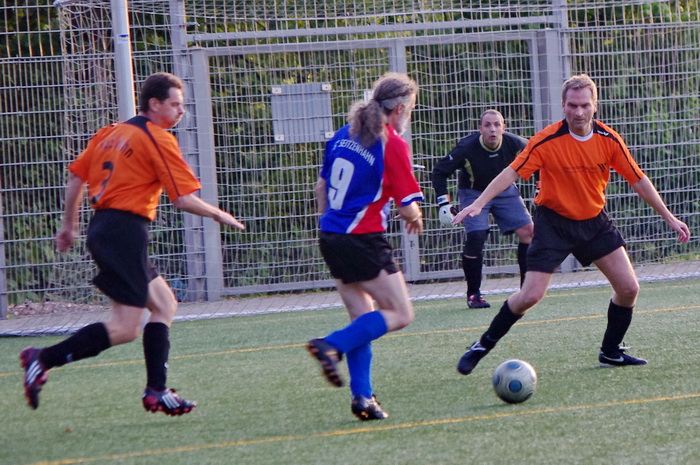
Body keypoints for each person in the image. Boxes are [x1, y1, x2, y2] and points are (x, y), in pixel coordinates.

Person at [20, 72, 245, 414]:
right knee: (125, 327)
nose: (181, 111)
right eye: (175, 104)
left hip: (105, 228)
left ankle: (156, 390)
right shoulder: (156, 138)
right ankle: (42, 358)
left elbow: (76, 176)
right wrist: (218, 214)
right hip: (123, 232)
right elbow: (182, 198)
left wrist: (69, 226)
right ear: (154, 104)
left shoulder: (110, 133)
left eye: (182, 105)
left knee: (164, 305)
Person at [453, 74, 690, 375]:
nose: (578, 112)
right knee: (530, 296)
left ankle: (610, 351)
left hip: (594, 222)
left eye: (585, 105)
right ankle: (482, 345)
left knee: (629, 288)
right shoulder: (546, 141)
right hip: (553, 223)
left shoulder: (608, 139)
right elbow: (510, 173)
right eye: (572, 105)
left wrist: (669, 217)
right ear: (563, 105)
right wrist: (478, 203)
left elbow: (638, 180)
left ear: (595, 106)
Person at [306, 72, 424, 421]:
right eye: (409, 110)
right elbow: (407, 207)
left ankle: (363, 398)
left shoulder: (344, 134)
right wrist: (416, 217)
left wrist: (334, 224)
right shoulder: (392, 144)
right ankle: (332, 345)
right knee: (401, 313)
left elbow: (320, 188)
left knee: (363, 318)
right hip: (362, 239)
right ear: (399, 109)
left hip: (331, 235)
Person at [431, 109, 533, 309]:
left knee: (528, 231)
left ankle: (526, 291)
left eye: (497, 124)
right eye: (487, 125)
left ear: (503, 128)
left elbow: (540, 158)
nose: (492, 129)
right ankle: (473, 294)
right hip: (473, 193)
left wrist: (541, 187)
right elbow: (439, 172)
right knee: (476, 236)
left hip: (505, 190)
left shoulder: (516, 143)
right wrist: (444, 203)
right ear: (480, 129)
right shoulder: (466, 148)